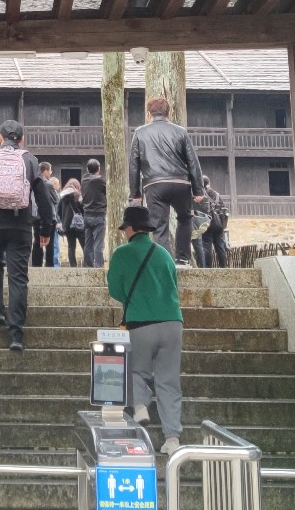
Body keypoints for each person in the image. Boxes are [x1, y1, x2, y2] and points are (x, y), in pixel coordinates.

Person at [0, 120, 57, 351]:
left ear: (0, 138)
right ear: (22, 140)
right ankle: (16, 334)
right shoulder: (30, 160)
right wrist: (46, 229)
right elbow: (43, 197)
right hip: (20, 225)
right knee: (18, 277)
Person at [108, 205, 185, 455]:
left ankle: (140, 406)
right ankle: (172, 438)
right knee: (168, 381)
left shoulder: (121, 254)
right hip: (172, 323)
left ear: (130, 228)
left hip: (140, 324)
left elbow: (115, 290)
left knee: (135, 370)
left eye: (125, 228)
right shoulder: (164, 254)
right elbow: (173, 285)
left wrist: (135, 300)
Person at [128, 96, 207, 266]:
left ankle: (164, 262)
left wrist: (135, 194)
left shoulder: (140, 133)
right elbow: (193, 162)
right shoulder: (181, 132)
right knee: (185, 218)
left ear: (149, 114)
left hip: (154, 184)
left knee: (159, 225)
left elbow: (134, 165)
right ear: (168, 113)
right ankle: (182, 258)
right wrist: (198, 190)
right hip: (181, 183)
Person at [31, 161, 61, 267]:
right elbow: (56, 199)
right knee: (50, 244)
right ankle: (49, 265)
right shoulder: (48, 184)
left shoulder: (33, 182)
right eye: (50, 170)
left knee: (37, 242)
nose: (51, 173)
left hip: (36, 216)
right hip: (49, 217)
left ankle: (36, 265)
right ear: (45, 171)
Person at [80, 159, 108, 267]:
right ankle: (99, 266)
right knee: (98, 242)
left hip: (87, 214)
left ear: (87, 169)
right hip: (98, 214)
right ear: (99, 169)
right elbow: (107, 191)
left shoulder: (84, 180)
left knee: (88, 242)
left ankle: (88, 266)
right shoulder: (100, 180)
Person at [196, 184, 230, 268]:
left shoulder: (201, 194)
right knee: (220, 247)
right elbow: (223, 208)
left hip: (208, 224)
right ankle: (223, 266)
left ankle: (208, 267)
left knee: (207, 247)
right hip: (219, 225)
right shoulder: (217, 194)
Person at [58, 178, 86, 266]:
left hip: (67, 225)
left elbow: (59, 211)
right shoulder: (77, 195)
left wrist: (63, 221)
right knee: (84, 245)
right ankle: (86, 264)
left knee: (71, 246)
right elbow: (83, 209)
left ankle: (73, 265)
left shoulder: (62, 197)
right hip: (79, 224)